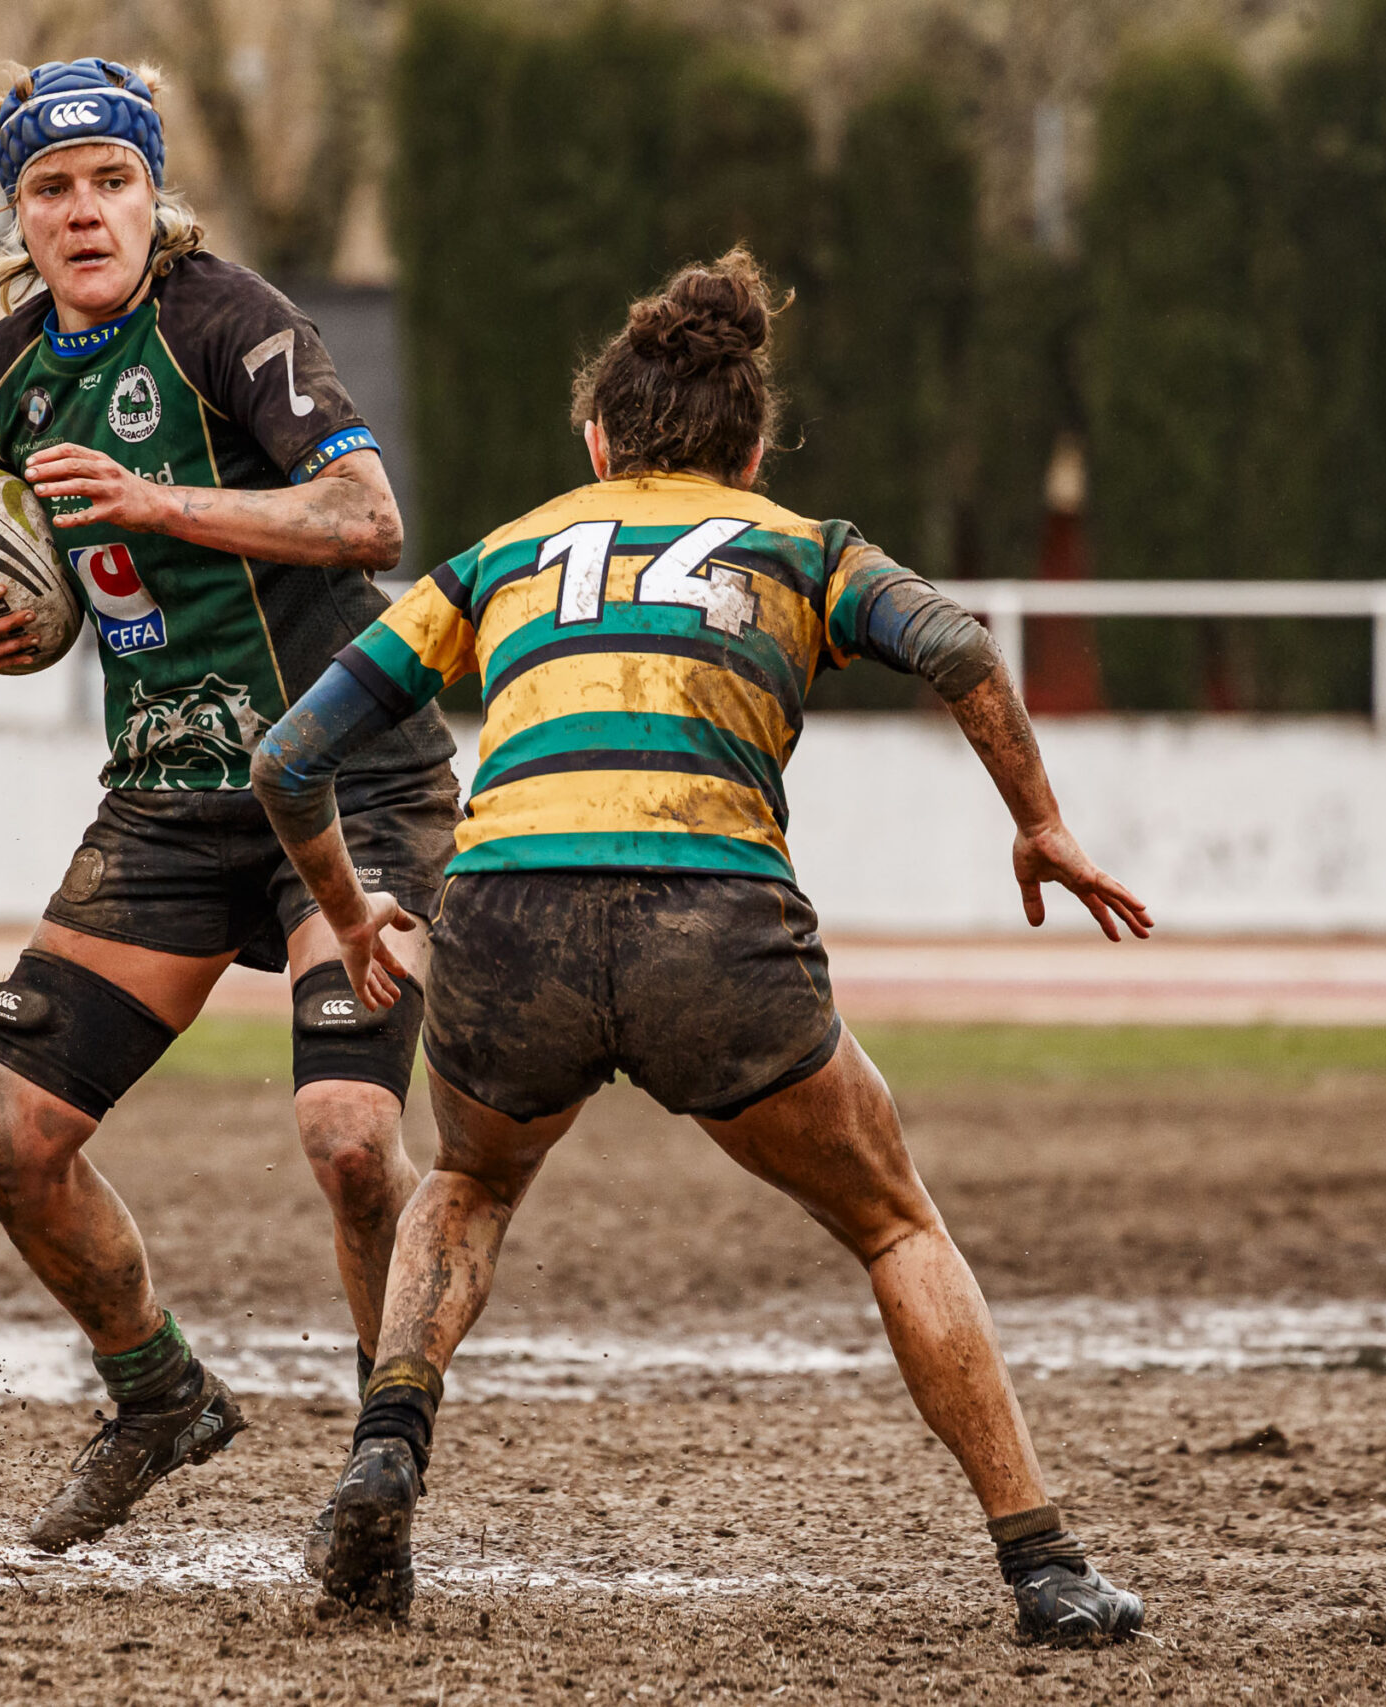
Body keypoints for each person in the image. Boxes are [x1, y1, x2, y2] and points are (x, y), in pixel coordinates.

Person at [249, 248, 1152, 1644]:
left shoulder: (500, 553)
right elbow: (962, 647)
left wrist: (354, 904)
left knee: (474, 1180)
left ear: (597, 440)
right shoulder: (803, 545)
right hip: (708, 921)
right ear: (748, 451)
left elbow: (290, 755)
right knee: (891, 1215)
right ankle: (1042, 1567)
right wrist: (1040, 825)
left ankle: (388, 1437)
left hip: (505, 917)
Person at [0, 57, 461, 1554]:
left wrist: (159, 504)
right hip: (165, 803)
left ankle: (377, 1468)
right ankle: (161, 1398)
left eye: (111, 182)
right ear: (17, 208)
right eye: (52, 188)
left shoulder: (231, 323)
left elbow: (367, 517)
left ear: (155, 193)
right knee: (5, 1143)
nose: (84, 212)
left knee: (347, 1135)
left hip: (348, 781)